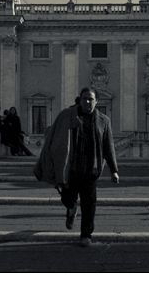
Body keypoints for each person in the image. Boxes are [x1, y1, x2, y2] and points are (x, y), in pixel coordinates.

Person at [34, 86, 119, 247]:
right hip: (70, 167)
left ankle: (86, 235)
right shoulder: (67, 116)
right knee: (68, 198)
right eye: (85, 98)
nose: (87, 102)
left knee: (89, 204)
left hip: (91, 168)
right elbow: (54, 137)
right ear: (80, 100)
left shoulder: (104, 121)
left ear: (96, 101)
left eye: (91, 99)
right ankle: (71, 208)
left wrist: (114, 170)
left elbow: (109, 146)